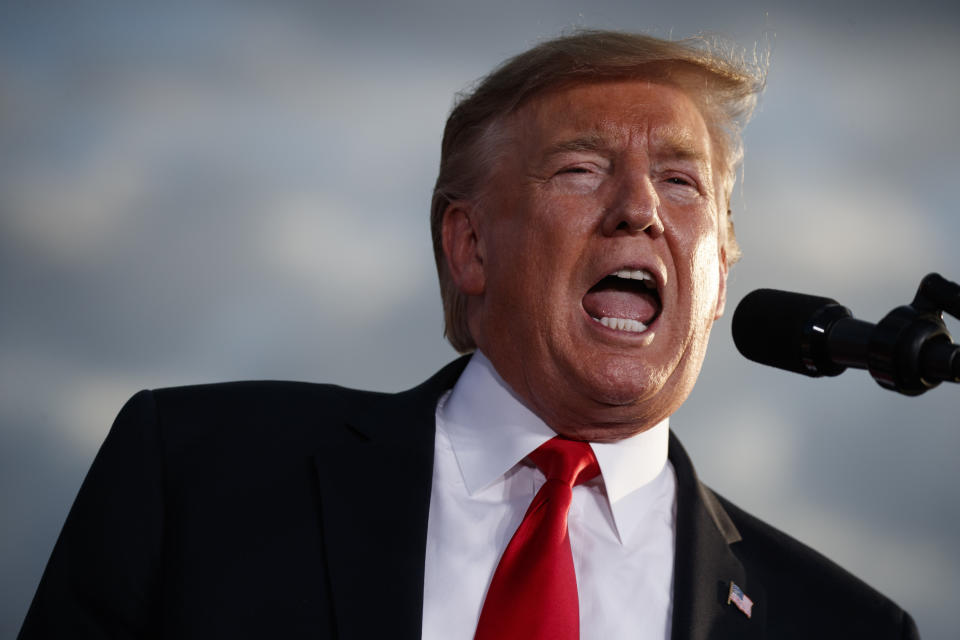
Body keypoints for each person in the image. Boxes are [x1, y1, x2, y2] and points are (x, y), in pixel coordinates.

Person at [19, 30, 918, 639]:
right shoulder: (195, 474)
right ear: (470, 244)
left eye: (682, 184)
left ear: (720, 270)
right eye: (582, 167)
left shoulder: (845, 625)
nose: (639, 208)